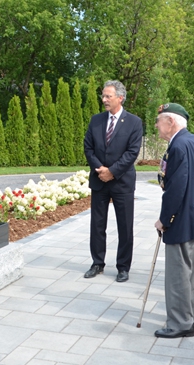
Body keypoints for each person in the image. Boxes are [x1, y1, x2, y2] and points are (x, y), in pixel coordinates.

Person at [153, 103, 194, 339]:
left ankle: (181, 323)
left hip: (180, 220)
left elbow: (176, 189)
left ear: (171, 122)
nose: (155, 125)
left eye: (158, 120)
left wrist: (164, 219)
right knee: (188, 271)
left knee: (178, 274)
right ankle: (192, 315)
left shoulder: (179, 145)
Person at [83, 80, 143, 282]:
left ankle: (123, 267)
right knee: (97, 225)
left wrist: (113, 172)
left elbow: (132, 152)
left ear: (120, 97)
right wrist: (100, 170)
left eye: (108, 96)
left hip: (122, 181)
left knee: (125, 226)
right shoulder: (96, 120)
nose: (104, 99)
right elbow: (88, 147)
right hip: (99, 179)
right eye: (103, 95)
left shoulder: (134, 122)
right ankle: (97, 263)